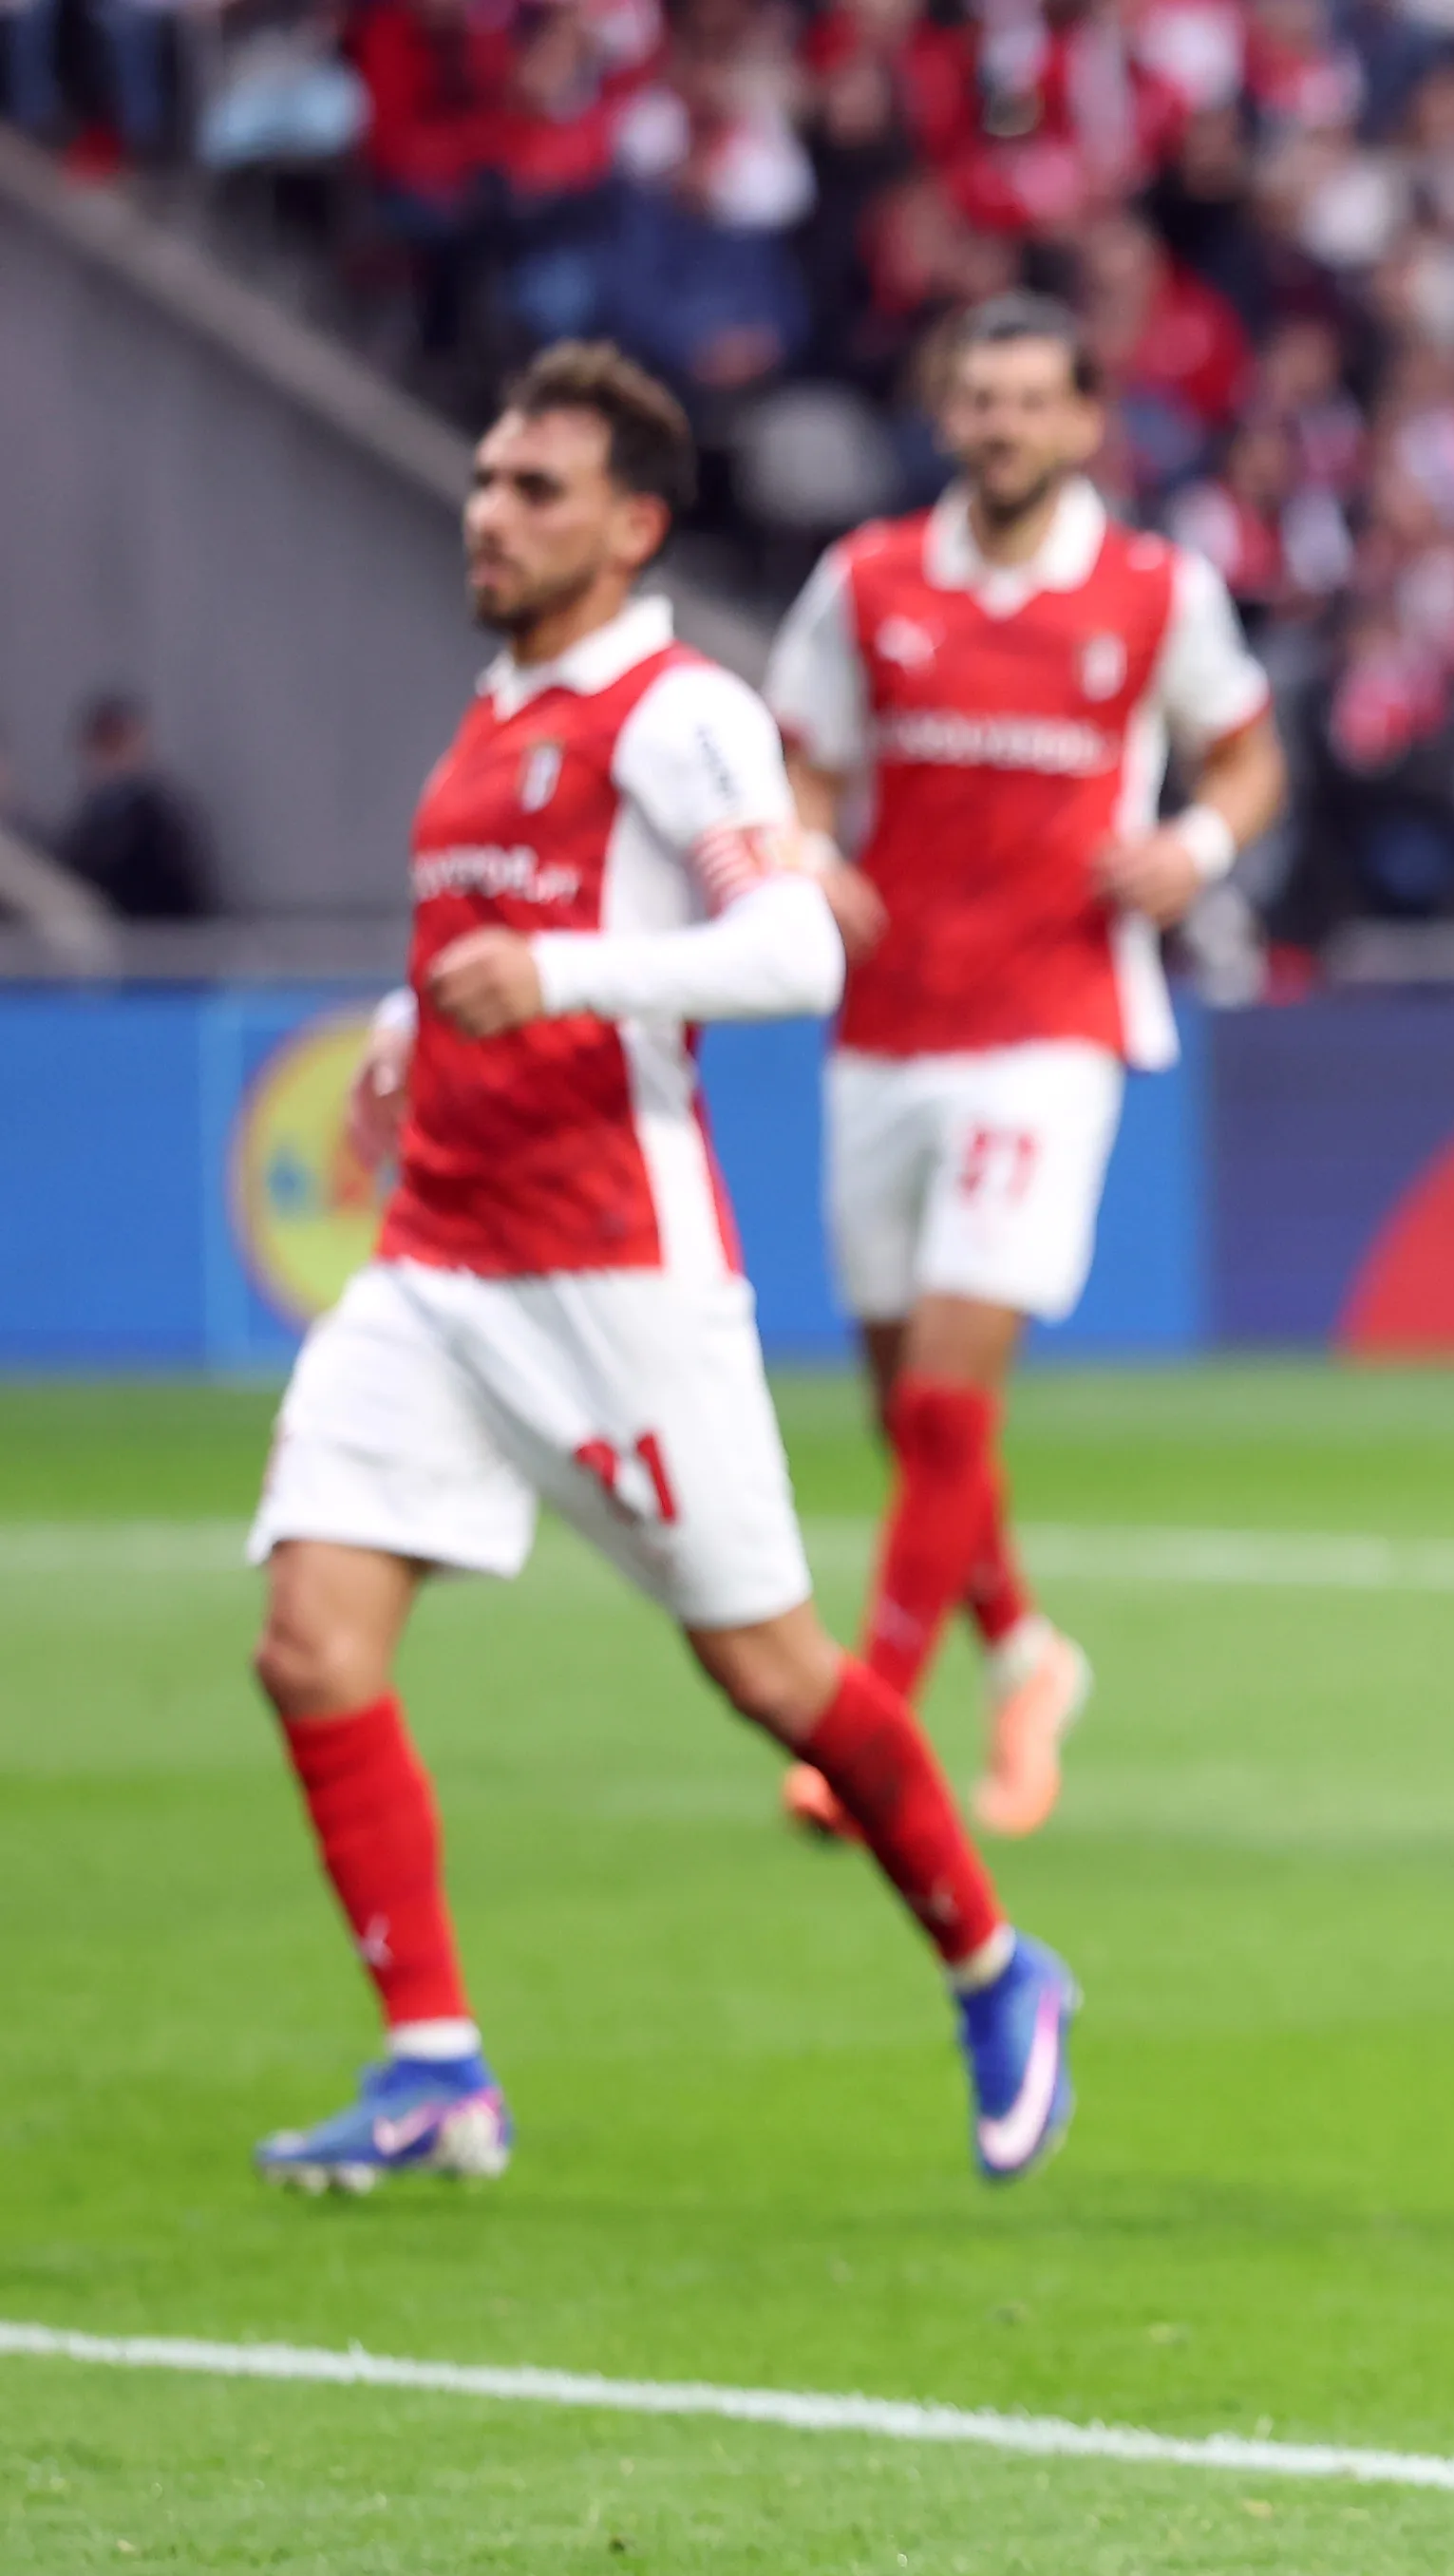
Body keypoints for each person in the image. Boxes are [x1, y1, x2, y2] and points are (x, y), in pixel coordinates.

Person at [241, 342, 1080, 2195]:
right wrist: (412, 1023)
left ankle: (996, 1965)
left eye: (534, 489)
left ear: (631, 528)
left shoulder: (677, 710)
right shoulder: (496, 709)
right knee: (310, 1643)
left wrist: (558, 978)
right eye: (486, 479)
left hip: (613, 1270)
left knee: (775, 1674)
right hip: (436, 1261)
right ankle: (436, 2067)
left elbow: (791, 951)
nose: (489, 513)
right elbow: (499, 933)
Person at [764, 291, 1286, 1844]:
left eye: (1027, 400)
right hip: (885, 1022)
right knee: (908, 1411)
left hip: (1052, 1028)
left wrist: (1195, 847)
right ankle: (1026, 1657)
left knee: (942, 1405)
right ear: (946, 415)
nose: (999, 424)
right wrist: (804, 852)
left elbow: (1248, 753)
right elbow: (801, 764)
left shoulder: (1152, 590)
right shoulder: (865, 582)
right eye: (976, 398)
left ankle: (863, 1728)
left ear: (1080, 422)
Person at [56, 692, 214, 920]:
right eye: (102, 745)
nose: (108, 758)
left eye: (116, 744)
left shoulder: (160, 819)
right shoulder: (91, 818)